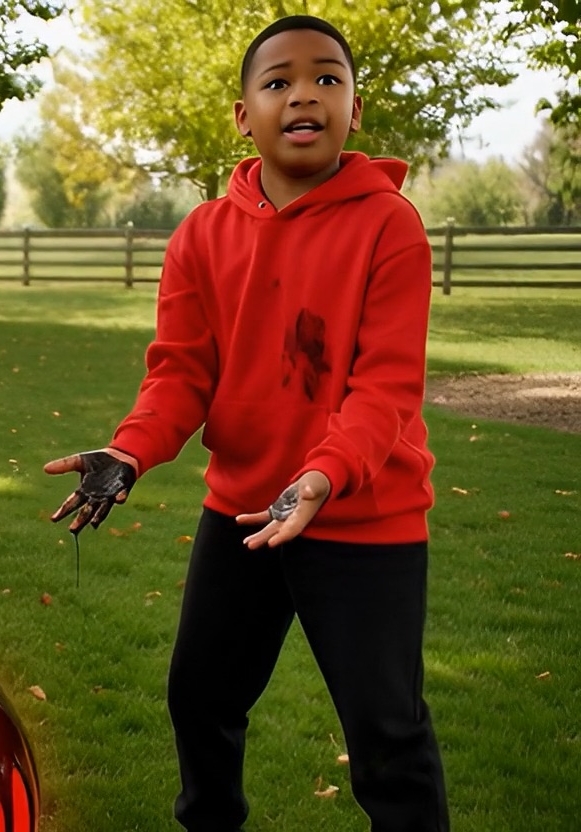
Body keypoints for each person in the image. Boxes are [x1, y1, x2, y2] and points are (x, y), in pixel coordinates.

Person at [44, 15, 448, 831]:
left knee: (387, 737)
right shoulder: (202, 234)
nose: (304, 93)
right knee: (200, 699)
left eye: (327, 78)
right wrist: (130, 452)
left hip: (363, 519)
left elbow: (386, 388)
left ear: (355, 109)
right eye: (278, 81)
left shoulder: (389, 224)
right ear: (244, 115)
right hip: (242, 513)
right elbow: (180, 375)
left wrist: (322, 475)